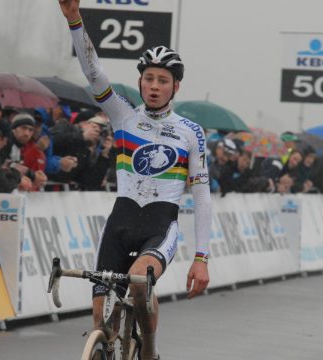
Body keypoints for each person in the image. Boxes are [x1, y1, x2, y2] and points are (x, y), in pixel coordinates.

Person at [58, 1, 211, 358]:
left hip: (160, 225)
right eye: (149, 79)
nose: (154, 86)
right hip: (121, 221)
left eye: (163, 80)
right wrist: (74, 21)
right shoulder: (123, 116)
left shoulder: (191, 133)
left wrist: (201, 257)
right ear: (140, 81)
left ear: (176, 87)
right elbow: (94, 73)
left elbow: (202, 196)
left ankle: (149, 352)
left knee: (140, 282)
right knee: (101, 320)